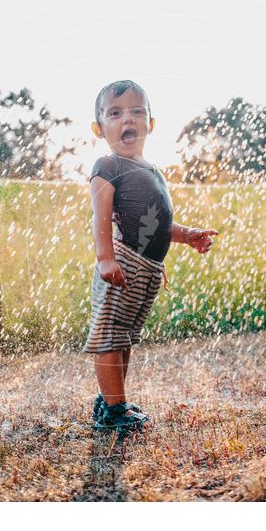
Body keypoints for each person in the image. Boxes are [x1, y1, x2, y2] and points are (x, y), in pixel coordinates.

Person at [83, 80, 219, 433]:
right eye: (115, 113)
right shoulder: (108, 165)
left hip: (148, 270)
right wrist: (105, 258)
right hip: (123, 263)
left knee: (125, 336)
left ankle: (114, 400)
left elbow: (159, 222)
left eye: (136, 111)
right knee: (110, 335)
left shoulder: (152, 170)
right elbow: (100, 216)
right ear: (100, 129)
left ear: (150, 124)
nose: (127, 119)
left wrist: (186, 235)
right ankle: (114, 411)